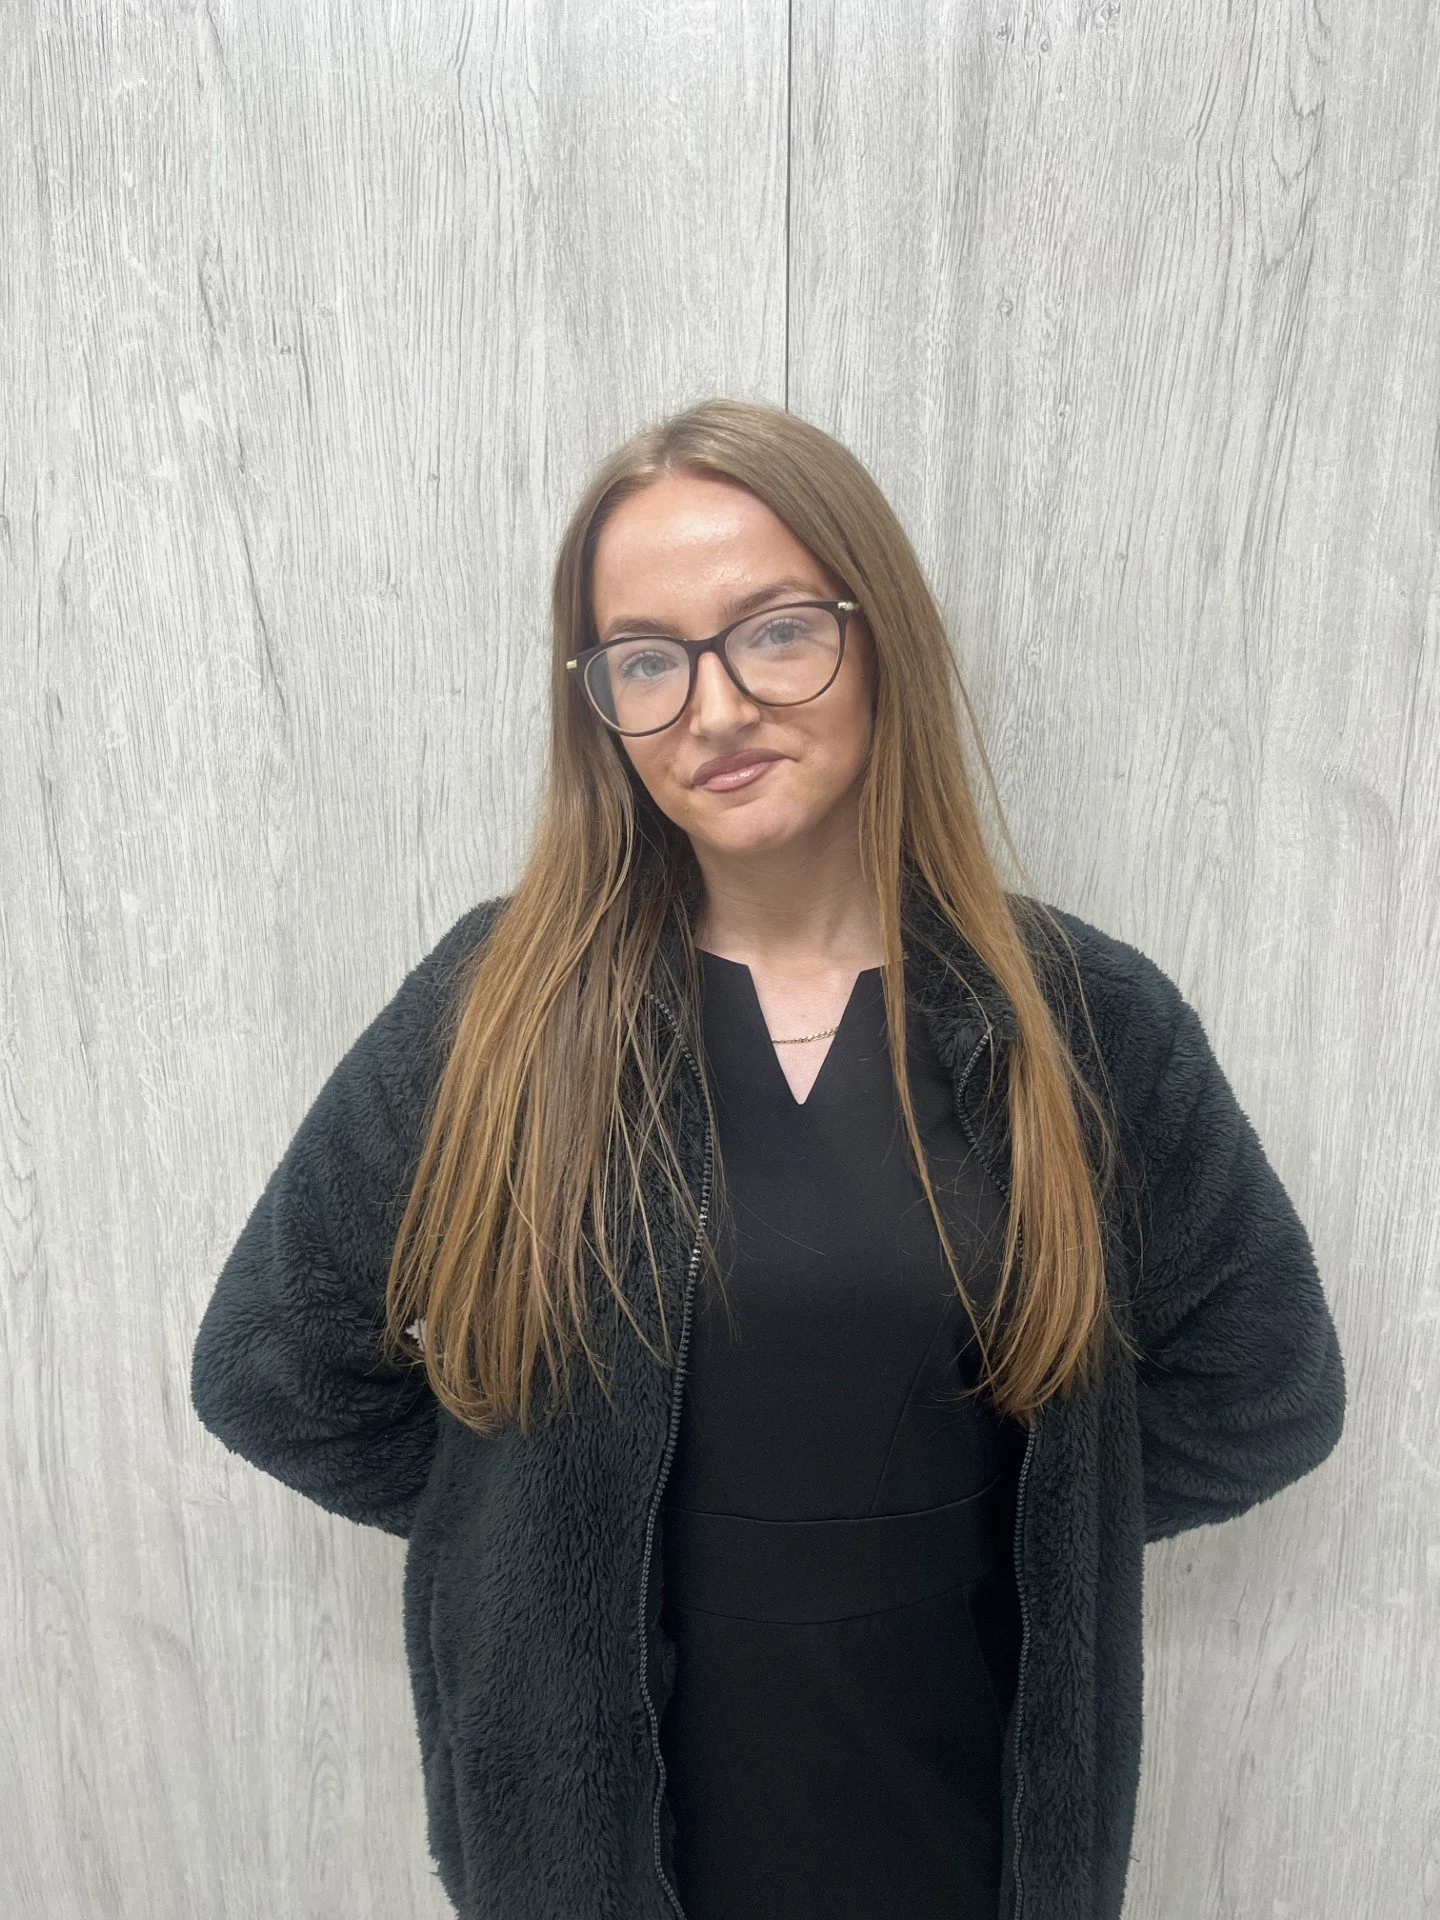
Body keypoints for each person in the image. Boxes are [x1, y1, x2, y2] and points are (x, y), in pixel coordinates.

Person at [190, 397, 1346, 1920]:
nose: (716, 707)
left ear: (880, 639)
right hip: (602, 1841)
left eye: (776, 632)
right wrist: (536, 1530)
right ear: (598, 703)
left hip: (965, 1812)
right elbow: (273, 1369)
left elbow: (1266, 1390)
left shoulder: (1084, 1020)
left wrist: (1027, 1531)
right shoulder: (499, 1009)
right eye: (646, 660)